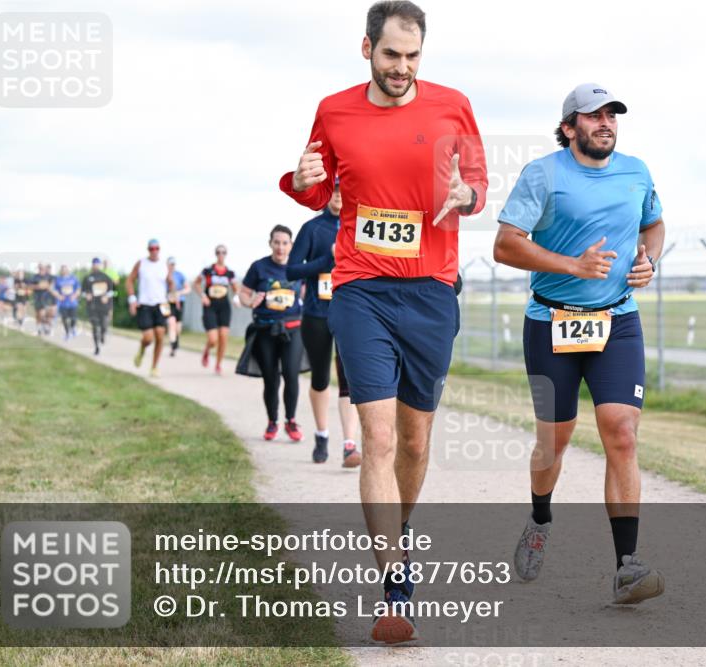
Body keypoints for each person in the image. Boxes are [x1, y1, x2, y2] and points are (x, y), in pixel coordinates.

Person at [280, 0, 487, 644]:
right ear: (366, 47)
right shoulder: (334, 110)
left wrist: (466, 195)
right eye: (391, 54)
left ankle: (400, 527)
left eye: (413, 56)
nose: (402, 68)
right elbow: (314, 189)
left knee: (415, 442)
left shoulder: (453, 105)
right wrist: (302, 181)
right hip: (361, 288)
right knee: (377, 439)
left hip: (430, 291)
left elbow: (478, 184)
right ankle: (393, 583)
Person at [493, 83, 667, 606]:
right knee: (555, 440)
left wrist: (649, 261)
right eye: (593, 116)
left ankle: (627, 567)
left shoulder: (636, 171)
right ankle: (541, 517)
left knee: (622, 433)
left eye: (612, 114)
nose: (606, 122)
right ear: (569, 127)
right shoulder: (543, 174)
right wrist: (573, 265)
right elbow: (505, 245)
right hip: (552, 322)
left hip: (617, 321)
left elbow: (654, 225)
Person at [289, 181, 362, 467]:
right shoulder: (312, 229)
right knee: (320, 377)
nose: (339, 199)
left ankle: (349, 445)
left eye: (344, 193)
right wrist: (326, 259)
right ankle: (321, 435)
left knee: (349, 379)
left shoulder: (358, 226)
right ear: (327, 195)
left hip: (351, 313)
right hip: (317, 314)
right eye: (334, 193)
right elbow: (292, 269)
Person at [238, 225, 327, 441]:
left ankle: (291, 421)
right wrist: (250, 301)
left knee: (291, 374)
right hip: (266, 329)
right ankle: (272, 421)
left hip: (293, 328)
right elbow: (244, 293)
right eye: (276, 242)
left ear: (291, 245)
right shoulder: (259, 267)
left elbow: (309, 292)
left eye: (284, 243)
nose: (280, 247)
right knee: (271, 379)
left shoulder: (299, 269)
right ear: (270, 243)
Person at [126, 239, 172, 378]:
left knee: (160, 335)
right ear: (148, 250)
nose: (154, 251)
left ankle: (154, 367)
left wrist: (172, 294)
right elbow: (129, 281)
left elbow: (171, 283)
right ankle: (142, 349)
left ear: (159, 249)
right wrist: (132, 299)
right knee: (148, 338)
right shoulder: (141, 264)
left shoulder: (165, 265)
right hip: (144, 304)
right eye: (151, 248)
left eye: (156, 248)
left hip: (161, 304)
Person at [196, 245, 241, 375]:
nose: (221, 254)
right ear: (215, 254)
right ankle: (207, 350)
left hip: (224, 306)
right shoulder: (208, 270)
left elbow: (235, 287)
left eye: (223, 252)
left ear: (226, 254)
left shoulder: (230, 273)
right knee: (213, 339)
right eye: (219, 252)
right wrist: (203, 296)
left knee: (223, 336)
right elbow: (196, 283)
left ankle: (218, 364)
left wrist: (236, 297)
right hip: (210, 305)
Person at [82, 257, 116, 355]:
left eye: (97, 264)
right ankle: (97, 347)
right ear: (92, 265)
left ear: (100, 265)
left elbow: (113, 291)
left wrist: (106, 296)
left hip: (104, 306)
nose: (96, 265)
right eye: (94, 264)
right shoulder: (87, 278)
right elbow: (83, 292)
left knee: (104, 324)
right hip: (92, 306)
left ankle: (103, 334)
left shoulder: (106, 277)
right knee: (95, 326)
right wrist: (86, 295)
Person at [167, 256, 190, 356]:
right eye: (170, 264)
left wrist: (180, 293)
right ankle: (172, 346)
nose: (171, 266)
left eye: (173, 264)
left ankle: (176, 341)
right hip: (168, 303)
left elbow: (188, 288)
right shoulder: (164, 275)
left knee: (178, 327)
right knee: (171, 323)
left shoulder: (179, 275)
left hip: (179, 303)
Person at [51, 265, 81, 340]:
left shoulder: (73, 278)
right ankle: (67, 333)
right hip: (63, 303)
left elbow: (78, 289)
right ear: (61, 271)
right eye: (62, 270)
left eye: (65, 269)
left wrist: (74, 296)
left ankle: (72, 328)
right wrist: (58, 296)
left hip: (72, 302)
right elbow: (53, 289)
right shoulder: (58, 279)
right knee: (64, 319)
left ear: (68, 270)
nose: (64, 271)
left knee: (73, 318)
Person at [30, 263, 55, 336]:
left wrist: (48, 286)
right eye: (40, 268)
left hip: (47, 298)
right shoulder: (35, 277)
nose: (42, 269)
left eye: (43, 268)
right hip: (37, 297)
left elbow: (52, 284)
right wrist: (38, 287)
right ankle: (39, 329)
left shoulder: (49, 277)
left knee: (44, 314)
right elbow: (30, 286)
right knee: (38, 315)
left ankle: (46, 327)